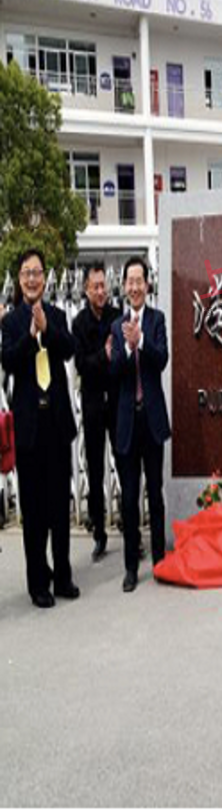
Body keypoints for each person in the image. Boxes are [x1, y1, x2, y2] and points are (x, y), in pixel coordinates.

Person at [0, 249, 79, 608]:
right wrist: (31, 335)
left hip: (56, 423)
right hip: (30, 426)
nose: (32, 279)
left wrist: (47, 328)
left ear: (45, 278)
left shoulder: (57, 315)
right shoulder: (11, 322)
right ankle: (38, 583)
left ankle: (62, 576)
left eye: (37, 272)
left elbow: (68, 349)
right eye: (26, 273)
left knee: (59, 505)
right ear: (19, 280)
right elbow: (9, 361)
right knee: (33, 510)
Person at [110, 257, 171, 592]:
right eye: (130, 281)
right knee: (130, 498)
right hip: (127, 423)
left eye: (139, 281)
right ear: (124, 286)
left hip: (152, 421)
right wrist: (124, 347)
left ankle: (160, 561)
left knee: (155, 496)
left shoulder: (157, 320)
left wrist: (142, 342)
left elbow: (161, 359)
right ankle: (131, 568)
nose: (134, 287)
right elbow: (114, 372)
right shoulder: (116, 326)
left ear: (147, 284)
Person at [72, 262, 121, 562]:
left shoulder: (117, 317)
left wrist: (103, 359)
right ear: (86, 289)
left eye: (104, 285)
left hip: (116, 400)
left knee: (124, 463)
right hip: (92, 404)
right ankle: (99, 534)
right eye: (96, 287)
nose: (101, 291)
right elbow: (82, 365)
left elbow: (122, 357)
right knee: (95, 468)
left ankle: (129, 527)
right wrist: (103, 355)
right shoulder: (79, 323)